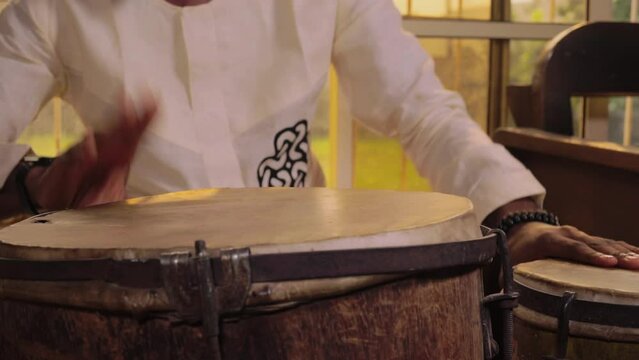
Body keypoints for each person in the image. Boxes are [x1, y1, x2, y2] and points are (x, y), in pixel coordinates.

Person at [0, 0, 637, 269]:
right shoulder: (52, 10)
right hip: (137, 299)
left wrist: (516, 220)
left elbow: (421, 109)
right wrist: (37, 187)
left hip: (313, 287)